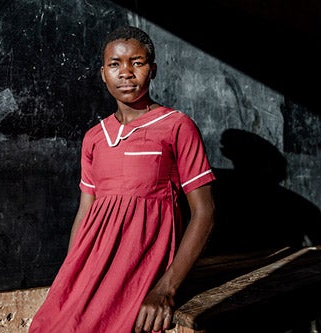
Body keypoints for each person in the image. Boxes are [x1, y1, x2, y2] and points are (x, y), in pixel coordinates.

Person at [29, 25, 216, 333]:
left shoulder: (176, 126)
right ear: (103, 73)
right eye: (115, 64)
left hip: (140, 270)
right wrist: (69, 275)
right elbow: (86, 212)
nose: (126, 73)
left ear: (152, 70)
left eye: (137, 63)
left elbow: (204, 213)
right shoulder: (94, 137)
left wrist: (166, 288)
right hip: (91, 268)